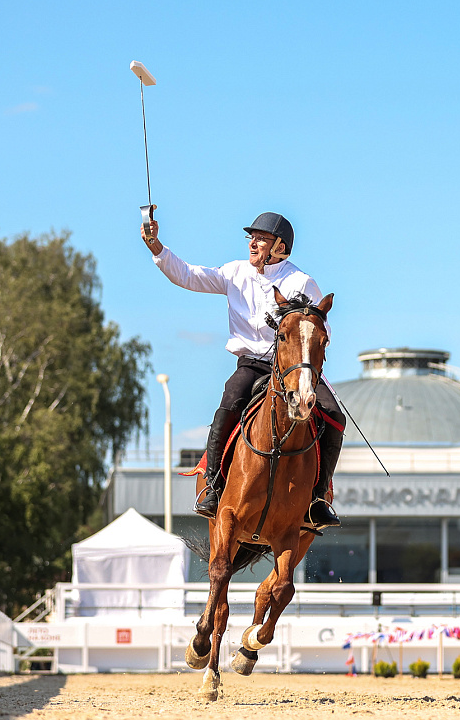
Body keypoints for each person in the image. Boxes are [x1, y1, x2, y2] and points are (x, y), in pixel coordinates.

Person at [141, 211, 343, 529]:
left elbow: (321, 329)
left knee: (335, 415)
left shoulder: (301, 281)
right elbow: (188, 275)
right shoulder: (234, 272)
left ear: (280, 246)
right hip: (250, 364)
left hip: (293, 367)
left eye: (260, 238)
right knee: (230, 402)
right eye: (251, 237)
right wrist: (156, 246)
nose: (252, 242)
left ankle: (317, 499)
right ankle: (212, 487)